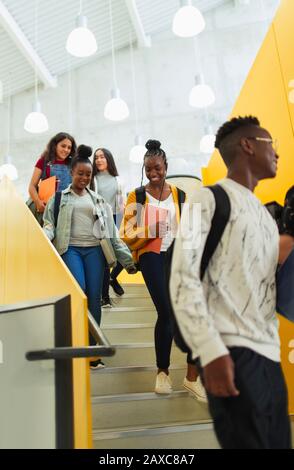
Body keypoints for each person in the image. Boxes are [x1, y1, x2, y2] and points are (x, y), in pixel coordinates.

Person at [170, 116, 291, 449]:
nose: (276, 154)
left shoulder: (266, 216)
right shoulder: (204, 199)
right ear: (248, 145)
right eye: (271, 145)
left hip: (269, 353)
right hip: (229, 350)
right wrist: (209, 352)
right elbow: (182, 277)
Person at [120, 139, 206, 400]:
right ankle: (162, 373)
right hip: (152, 257)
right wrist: (151, 230)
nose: (153, 174)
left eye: (157, 168)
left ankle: (192, 378)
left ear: (166, 166)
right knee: (166, 312)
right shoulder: (138, 195)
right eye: (148, 170)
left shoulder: (180, 195)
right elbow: (126, 232)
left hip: (179, 255)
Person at [43, 145, 136, 369]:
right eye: (80, 173)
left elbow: (112, 236)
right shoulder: (58, 198)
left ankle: (93, 352)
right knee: (81, 291)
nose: (84, 178)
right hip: (71, 249)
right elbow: (49, 225)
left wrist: (129, 261)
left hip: (95, 250)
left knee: (94, 297)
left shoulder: (98, 201)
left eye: (88, 174)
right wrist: (44, 239)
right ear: (72, 173)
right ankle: (76, 344)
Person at [90, 148, 126, 306]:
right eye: (96, 157)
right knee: (105, 259)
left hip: (116, 219)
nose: (98, 160)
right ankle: (104, 297)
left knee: (123, 253)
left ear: (108, 159)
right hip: (99, 220)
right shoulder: (92, 179)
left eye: (102, 157)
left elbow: (121, 204)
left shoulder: (118, 179)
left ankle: (112, 278)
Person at [28, 132, 77, 223]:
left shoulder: (74, 164)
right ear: (55, 145)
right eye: (63, 146)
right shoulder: (43, 161)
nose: (66, 150)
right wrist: (38, 203)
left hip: (65, 209)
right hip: (46, 209)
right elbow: (32, 186)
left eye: (69, 147)